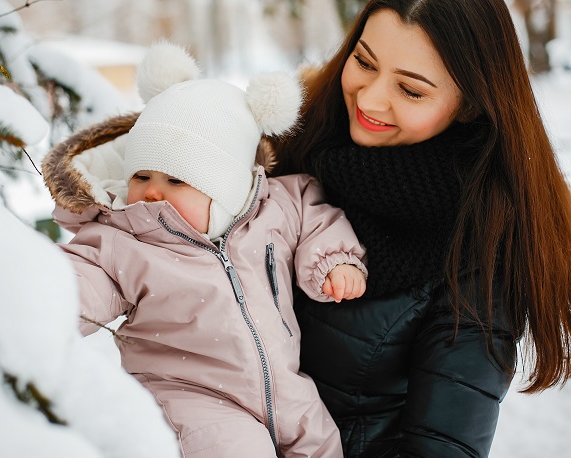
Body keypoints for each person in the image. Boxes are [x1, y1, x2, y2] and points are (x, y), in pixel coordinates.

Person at [268, 0, 571, 457]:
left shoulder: (479, 244)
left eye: (411, 91)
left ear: (469, 105)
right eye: (364, 62)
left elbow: (442, 446)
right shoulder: (289, 144)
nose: (369, 99)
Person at [42, 42, 368, 457]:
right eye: (141, 175)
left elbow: (314, 214)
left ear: (229, 184)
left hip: (284, 387)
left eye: (177, 180)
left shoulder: (274, 208)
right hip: (190, 397)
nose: (152, 191)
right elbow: (81, 277)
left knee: (322, 444)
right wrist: (40, 303)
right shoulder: (125, 240)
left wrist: (333, 260)